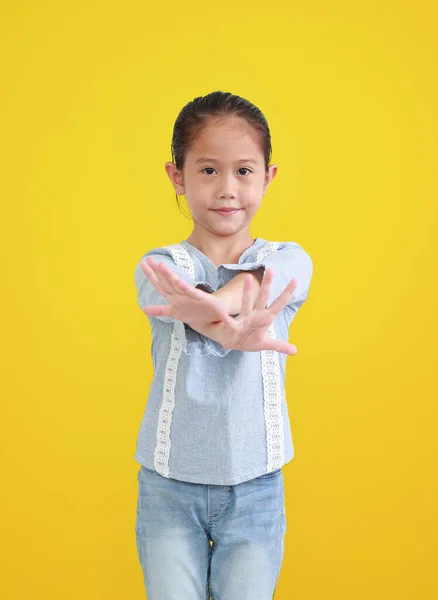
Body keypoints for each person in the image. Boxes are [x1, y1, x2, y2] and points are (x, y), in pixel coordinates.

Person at [134, 90, 313, 600]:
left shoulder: (289, 260)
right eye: (209, 170)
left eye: (244, 171)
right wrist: (226, 327)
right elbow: (177, 298)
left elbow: (270, 281)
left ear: (267, 176)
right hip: (169, 483)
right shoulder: (160, 265)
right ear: (177, 175)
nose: (227, 189)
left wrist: (220, 309)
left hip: (257, 485)